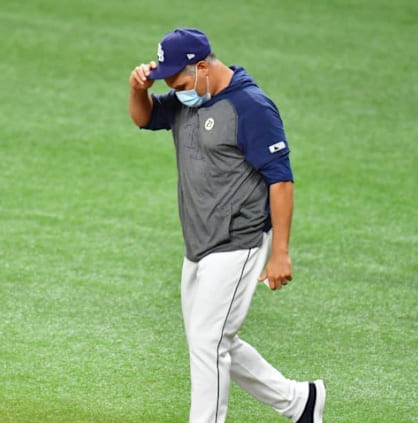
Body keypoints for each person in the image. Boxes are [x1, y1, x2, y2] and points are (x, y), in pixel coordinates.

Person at [128, 28, 325, 423]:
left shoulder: (251, 107)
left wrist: (280, 253)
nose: (176, 89)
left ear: (202, 67)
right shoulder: (190, 98)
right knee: (216, 340)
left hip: (240, 239)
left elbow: (281, 180)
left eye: (179, 81)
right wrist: (138, 88)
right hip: (198, 241)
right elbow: (145, 117)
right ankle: (299, 402)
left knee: (207, 341)